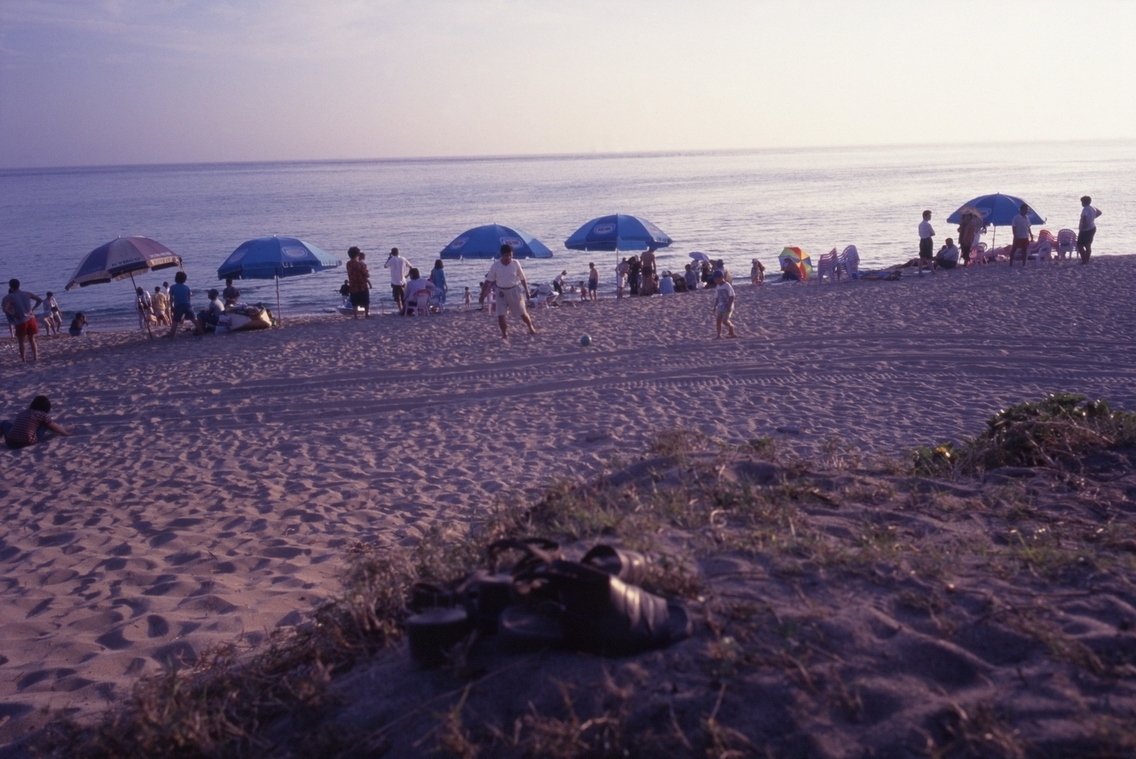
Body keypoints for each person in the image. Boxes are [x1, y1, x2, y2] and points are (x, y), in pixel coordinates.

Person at [485, 244, 536, 338]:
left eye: (510, 255)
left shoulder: (515, 263)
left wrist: (527, 291)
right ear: (501, 254)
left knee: (522, 313)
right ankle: (504, 334)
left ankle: (530, 327)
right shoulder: (495, 266)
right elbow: (488, 280)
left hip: (514, 290)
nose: (509, 257)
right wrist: (482, 295)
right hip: (500, 292)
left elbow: (522, 278)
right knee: (500, 315)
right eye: (506, 255)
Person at [2, 395, 74, 449]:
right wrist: (66, 433)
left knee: (4, 423)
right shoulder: (42, 415)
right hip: (27, 443)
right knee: (46, 424)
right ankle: (64, 429)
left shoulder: (23, 412)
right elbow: (54, 427)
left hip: (10, 443)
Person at [3, 279, 43, 362]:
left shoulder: (9, 297)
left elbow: (5, 309)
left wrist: (14, 314)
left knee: (21, 341)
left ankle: (24, 359)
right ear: (19, 285)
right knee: (32, 339)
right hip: (31, 318)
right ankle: (35, 356)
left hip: (20, 320)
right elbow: (39, 300)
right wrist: (33, 309)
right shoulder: (27, 293)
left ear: (10, 286)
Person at [345, 246, 371, 318]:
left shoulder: (348, 264)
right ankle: (366, 314)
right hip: (362, 285)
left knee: (355, 303)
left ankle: (356, 316)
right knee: (366, 301)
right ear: (357, 254)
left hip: (353, 285)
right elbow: (367, 275)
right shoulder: (360, 264)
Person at [167, 271, 194, 338]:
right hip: (187, 305)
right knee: (194, 319)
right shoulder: (186, 287)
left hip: (178, 305)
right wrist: (189, 305)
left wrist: (171, 306)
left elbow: (171, 298)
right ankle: (202, 332)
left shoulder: (172, 287)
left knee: (175, 321)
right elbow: (189, 297)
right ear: (184, 279)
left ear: (176, 278)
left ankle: (171, 335)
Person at [1077, 195, 1102, 264]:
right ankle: (1087, 260)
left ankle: (1084, 260)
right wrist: (1092, 218)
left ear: (1083, 202)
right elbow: (1100, 212)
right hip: (1092, 227)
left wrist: (1084, 225)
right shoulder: (1093, 208)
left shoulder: (1085, 209)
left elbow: (1084, 217)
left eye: (1082, 202)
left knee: (1080, 245)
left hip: (1086, 229)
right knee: (1088, 245)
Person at [385, 247, 410, 314]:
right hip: (403, 281)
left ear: (392, 253)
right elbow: (411, 267)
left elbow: (385, 266)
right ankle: (405, 309)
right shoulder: (403, 259)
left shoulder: (392, 259)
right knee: (403, 296)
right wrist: (407, 275)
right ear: (398, 252)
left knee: (397, 297)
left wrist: (389, 258)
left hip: (395, 282)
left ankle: (400, 310)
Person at [712, 271, 737, 339]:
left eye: (715, 279)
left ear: (721, 278)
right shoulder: (717, 286)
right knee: (718, 320)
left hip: (727, 306)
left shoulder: (727, 285)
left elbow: (732, 296)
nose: (714, 280)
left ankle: (731, 327)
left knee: (725, 321)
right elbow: (717, 297)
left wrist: (729, 306)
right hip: (720, 306)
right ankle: (718, 335)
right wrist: (715, 306)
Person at [918, 210, 935, 275]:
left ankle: (920, 271)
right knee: (929, 257)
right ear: (925, 216)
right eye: (929, 215)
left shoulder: (920, 225)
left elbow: (920, 234)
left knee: (922, 257)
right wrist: (928, 234)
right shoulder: (928, 225)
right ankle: (932, 271)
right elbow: (933, 233)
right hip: (928, 240)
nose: (930, 217)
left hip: (922, 240)